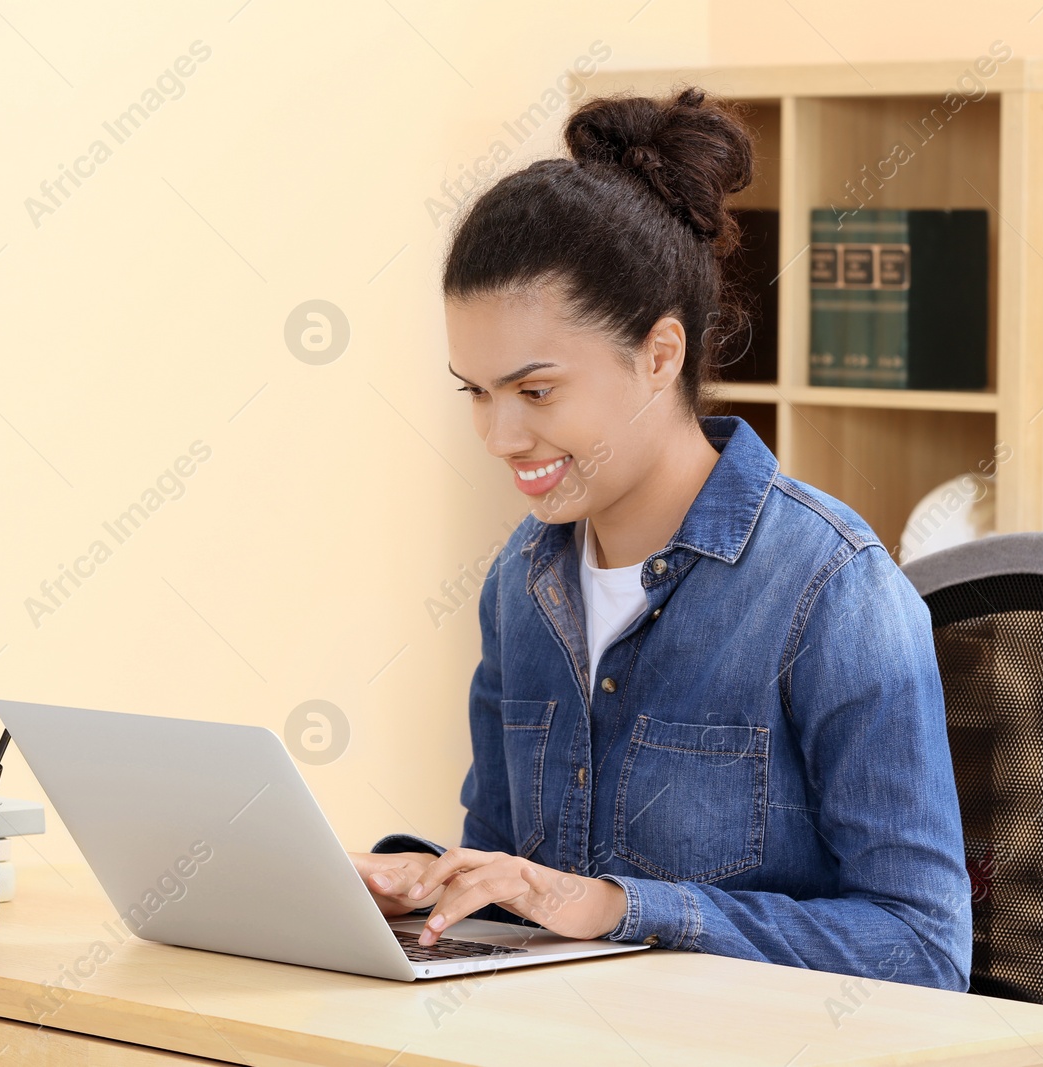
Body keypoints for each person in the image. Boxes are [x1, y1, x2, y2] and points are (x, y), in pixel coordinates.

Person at [348, 86, 971, 990]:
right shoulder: (519, 585)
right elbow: (516, 886)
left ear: (660, 354)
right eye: (474, 392)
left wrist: (621, 905)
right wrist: (428, 885)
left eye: (535, 391)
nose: (499, 436)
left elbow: (923, 949)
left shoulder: (829, 588)